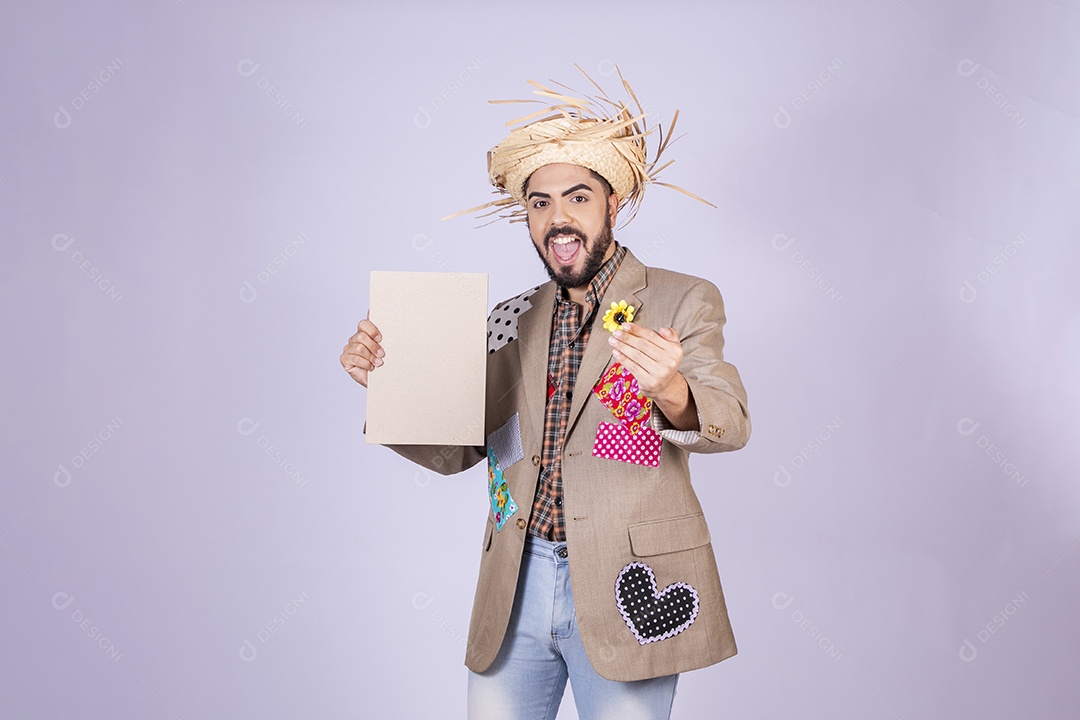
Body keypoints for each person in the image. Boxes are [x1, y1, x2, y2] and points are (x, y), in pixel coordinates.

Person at [340, 68, 750, 720]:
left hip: (626, 582)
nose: (558, 217)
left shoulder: (681, 297)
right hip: (515, 585)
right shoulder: (509, 317)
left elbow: (729, 421)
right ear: (527, 216)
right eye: (540, 202)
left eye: (577, 197)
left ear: (611, 203)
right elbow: (458, 449)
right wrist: (388, 384)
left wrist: (671, 388)